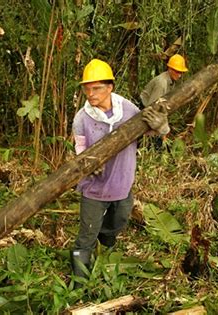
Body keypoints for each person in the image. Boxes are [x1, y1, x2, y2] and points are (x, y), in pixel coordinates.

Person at [70, 58, 170, 287]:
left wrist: (162, 126)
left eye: (96, 88)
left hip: (122, 184)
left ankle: (105, 242)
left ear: (110, 87)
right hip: (94, 190)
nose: (90, 94)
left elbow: (151, 131)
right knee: (86, 237)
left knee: (120, 220)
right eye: (87, 88)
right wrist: (88, 164)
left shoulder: (128, 109)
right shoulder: (81, 119)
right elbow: (80, 150)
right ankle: (78, 284)